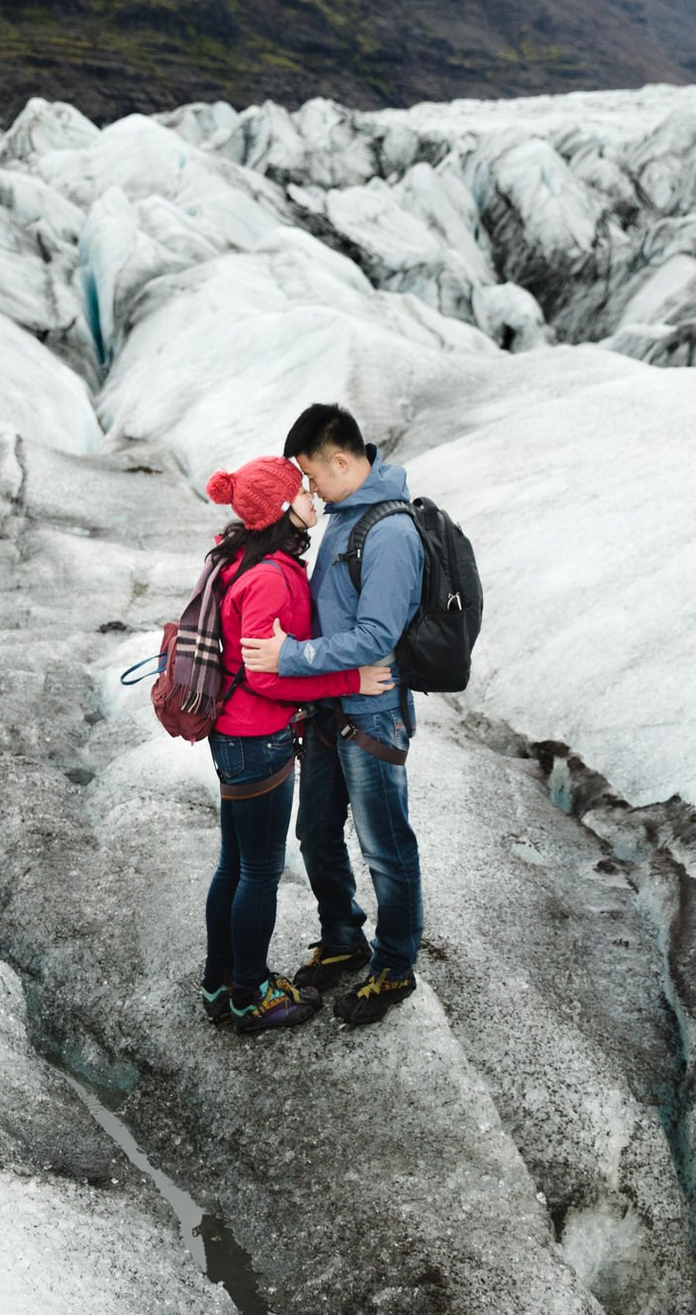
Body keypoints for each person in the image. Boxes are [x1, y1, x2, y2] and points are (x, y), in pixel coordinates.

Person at [239, 403, 425, 1026]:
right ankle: (344, 937)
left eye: (313, 475)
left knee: (385, 847)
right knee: (315, 833)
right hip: (328, 708)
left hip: (371, 716)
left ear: (341, 461)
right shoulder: (345, 516)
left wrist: (290, 657)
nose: (310, 488)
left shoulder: (390, 532)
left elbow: (375, 635)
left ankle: (394, 965)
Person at [198, 454, 396, 1035]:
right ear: (282, 509)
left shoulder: (243, 558)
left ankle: (220, 981)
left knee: (235, 865)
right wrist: (350, 680)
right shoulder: (269, 576)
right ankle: (250, 994)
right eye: (303, 490)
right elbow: (265, 675)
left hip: (237, 735)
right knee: (258, 872)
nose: (314, 496)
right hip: (256, 738)